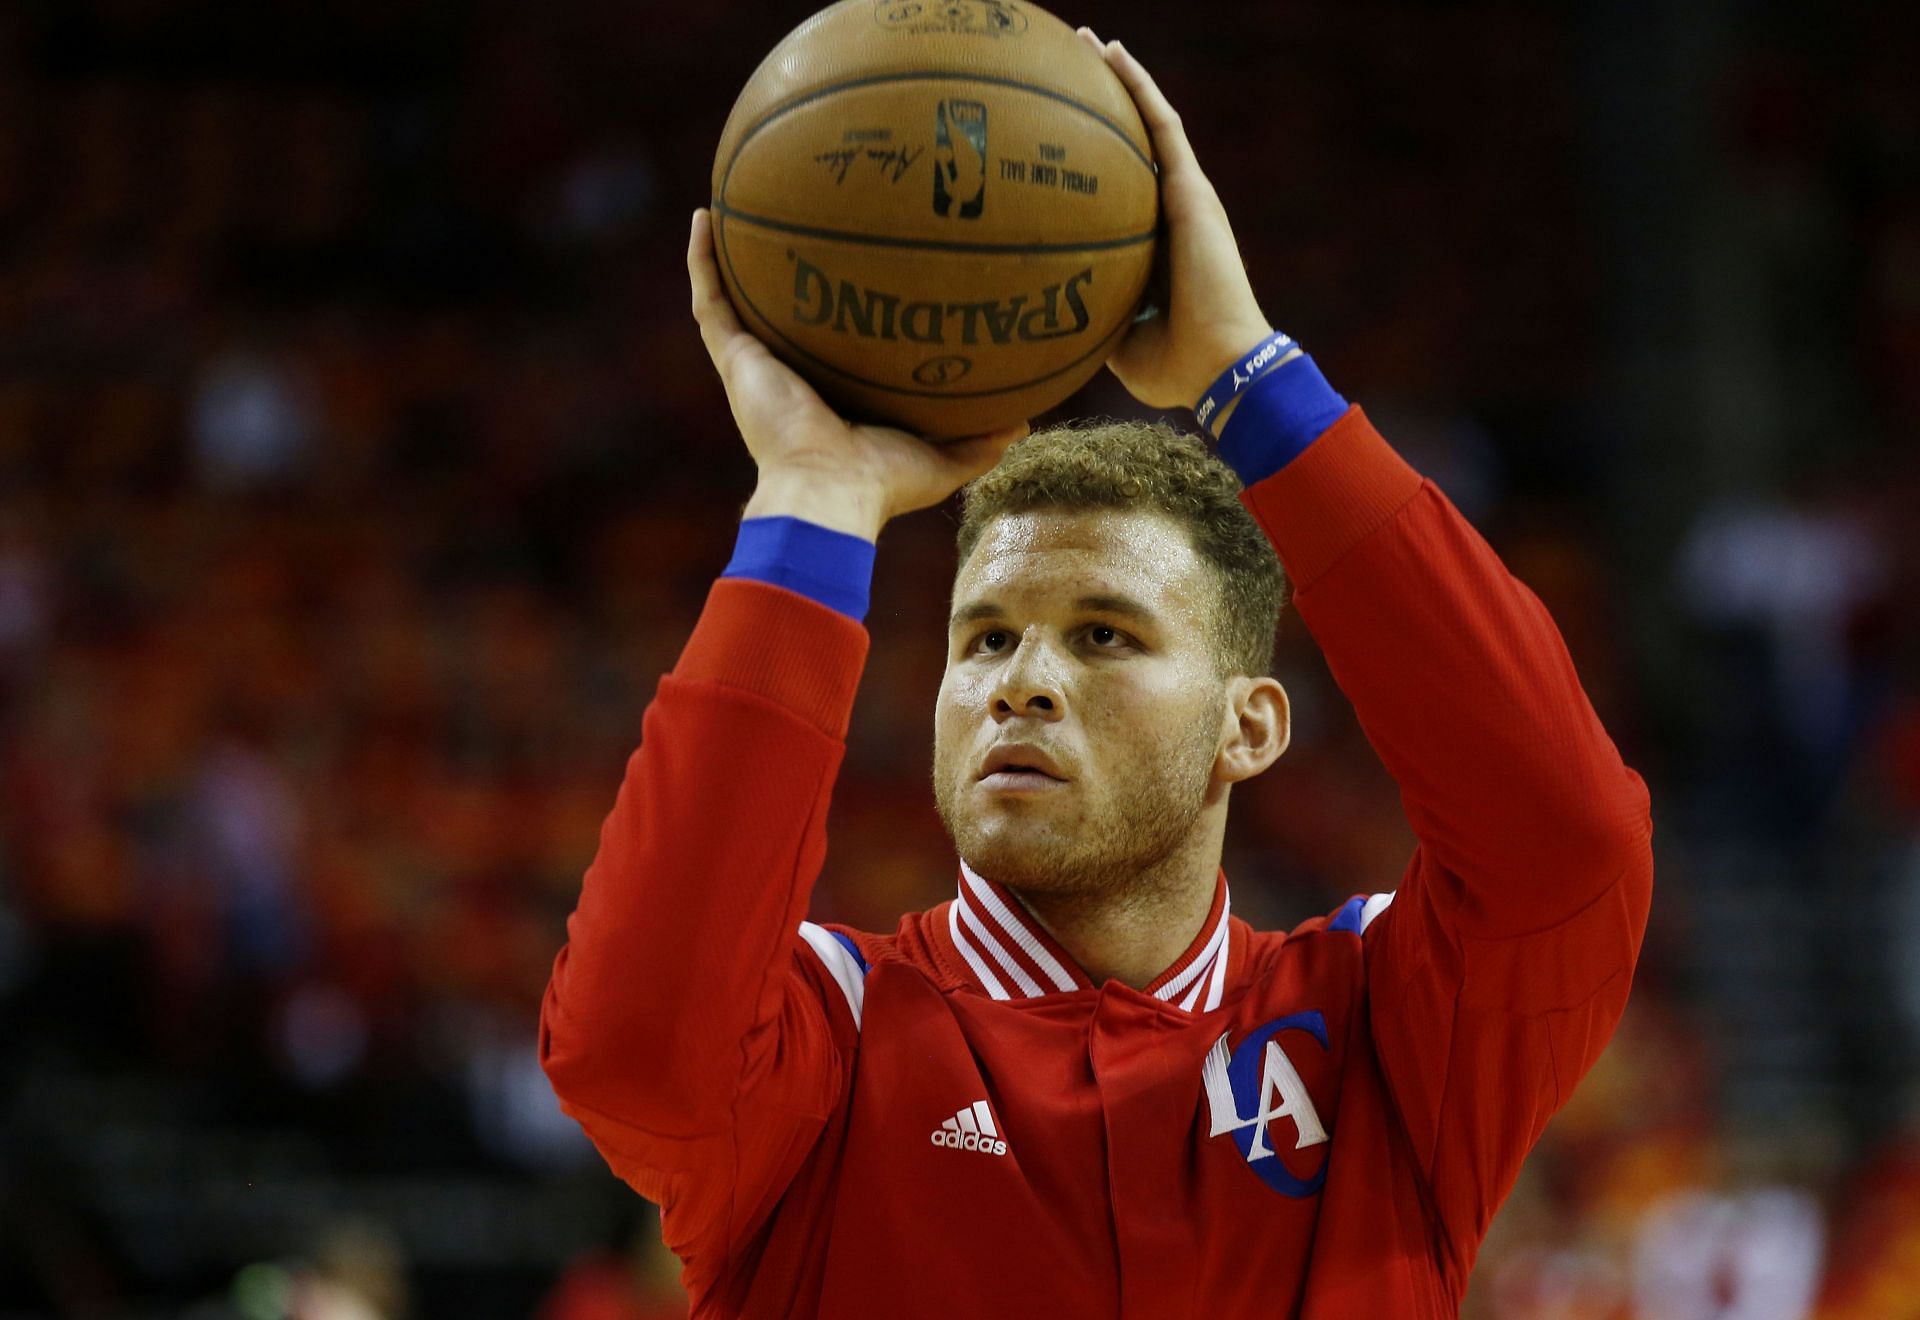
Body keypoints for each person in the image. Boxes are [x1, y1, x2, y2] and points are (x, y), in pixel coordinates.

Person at [540, 29, 1654, 1319]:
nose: (1022, 679)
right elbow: (628, 1052)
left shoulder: (1378, 1036)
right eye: (985, 637)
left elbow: (1569, 844)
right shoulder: (827, 1040)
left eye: (1105, 634)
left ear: (1251, 726)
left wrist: (1254, 385)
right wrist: (814, 501)